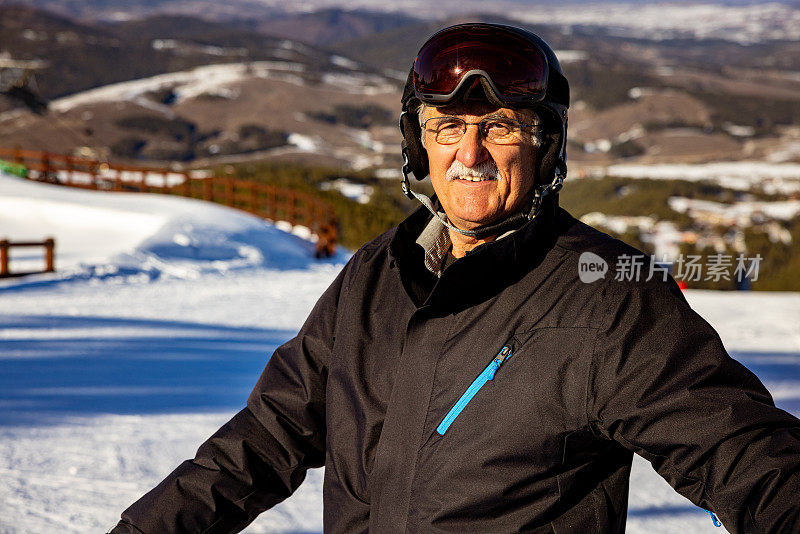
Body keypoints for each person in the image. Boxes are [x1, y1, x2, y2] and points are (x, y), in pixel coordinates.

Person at [111, 23, 800, 533]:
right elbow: (260, 443)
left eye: (499, 126)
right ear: (420, 144)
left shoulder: (607, 299)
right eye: (446, 127)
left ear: (544, 147)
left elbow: (740, 452)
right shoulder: (375, 279)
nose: (469, 153)